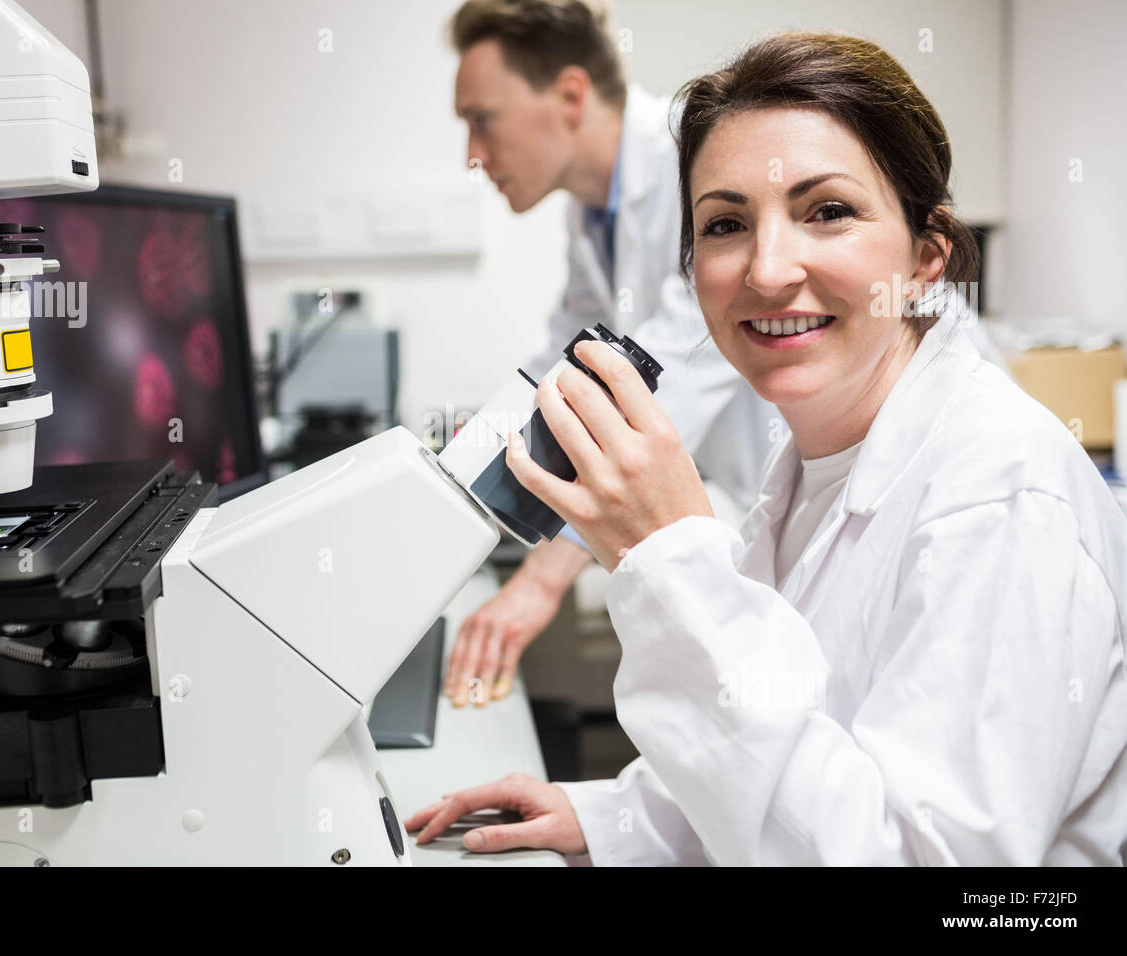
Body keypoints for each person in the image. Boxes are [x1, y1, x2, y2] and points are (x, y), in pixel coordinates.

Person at [406, 32, 1127, 865]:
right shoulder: (813, 467)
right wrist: (618, 817)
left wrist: (668, 556)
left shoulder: (1001, 498)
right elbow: (802, 739)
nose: (768, 269)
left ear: (929, 257)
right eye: (724, 224)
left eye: (829, 212)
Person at [443, 0, 777, 707]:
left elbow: (642, 388)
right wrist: (447, 481)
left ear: (569, 96)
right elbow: (554, 369)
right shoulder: (590, 211)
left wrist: (539, 580)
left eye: (483, 119)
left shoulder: (698, 164)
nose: (473, 154)